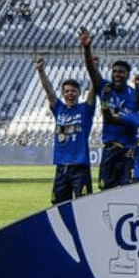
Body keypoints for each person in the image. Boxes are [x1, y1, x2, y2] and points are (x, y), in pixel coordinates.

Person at [81, 28, 138, 190]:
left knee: (128, 191)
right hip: (109, 151)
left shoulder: (134, 96)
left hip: (127, 152)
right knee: (105, 192)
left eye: (121, 72)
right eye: (114, 72)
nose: (117, 75)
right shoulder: (105, 88)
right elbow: (91, 71)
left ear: (127, 75)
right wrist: (86, 49)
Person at [35, 56, 97, 204]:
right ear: (63, 93)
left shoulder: (85, 110)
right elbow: (48, 90)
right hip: (62, 168)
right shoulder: (59, 109)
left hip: (80, 168)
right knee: (58, 206)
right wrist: (41, 71)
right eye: (67, 91)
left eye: (74, 91)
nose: (70, 94)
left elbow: (95, 89)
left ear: (79, 93)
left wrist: (94, 69)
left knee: (84, 204)